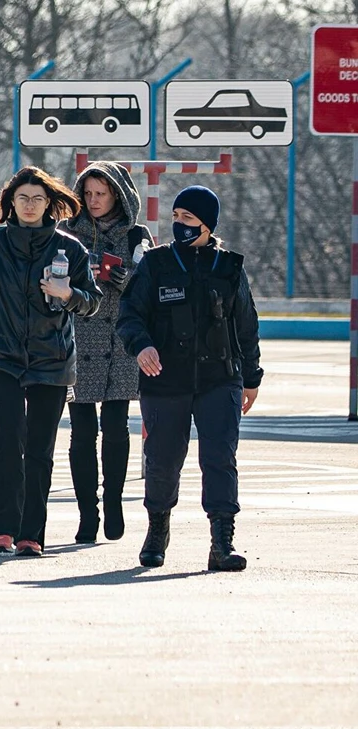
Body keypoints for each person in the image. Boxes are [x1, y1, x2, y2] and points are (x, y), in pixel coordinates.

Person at [0, 166, 103, 556]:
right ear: (10, 203)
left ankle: (30, 534)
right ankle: (2, 528)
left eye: (38, 198)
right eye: (23, 198)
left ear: (50, 203)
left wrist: (68, 294)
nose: (31, 205)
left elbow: (92, 303)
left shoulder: (70, 248)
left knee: (39, 449)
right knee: (7, 441)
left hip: (52, 360)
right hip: (2, 355)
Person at [116, 186, 262, 572]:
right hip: (165, 380)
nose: (179, 223)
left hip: (220, 378)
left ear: (207, 224)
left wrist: (252, 377)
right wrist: (142, 346)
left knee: (219, 459)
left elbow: (246, 325)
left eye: (188, 218)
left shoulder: (229, 267)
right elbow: (129, 314)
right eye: (176, 215)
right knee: (163, 460)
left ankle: (221, 543)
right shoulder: (156, 264)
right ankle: (157, 531)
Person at [58, 162, 154, 544]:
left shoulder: (136, 235)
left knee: (116, 428)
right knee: (81, 434)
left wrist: (122, 277)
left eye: (102, 193)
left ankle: (113, 503)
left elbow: (150, 285)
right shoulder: (66, 232)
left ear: (117, 195)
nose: (94, 201)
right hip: (77, 342)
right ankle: (87, 512)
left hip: (121, 344)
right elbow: (52, 279)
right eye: (89, 193)